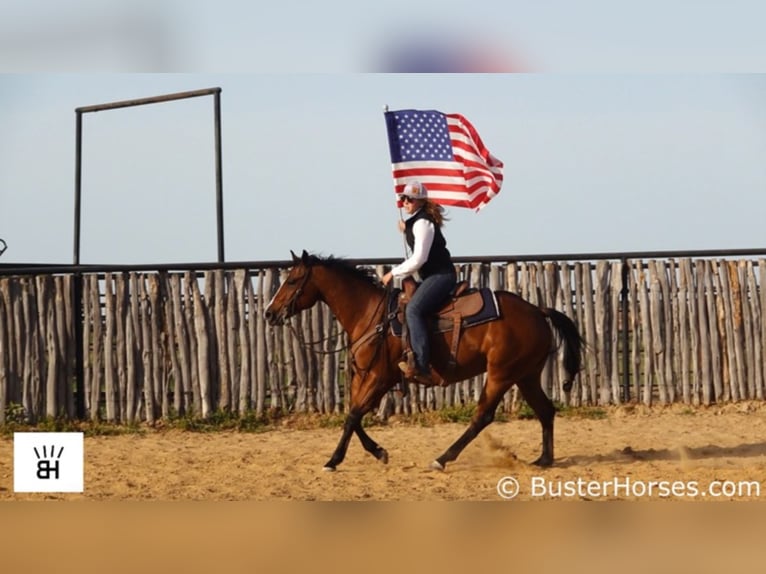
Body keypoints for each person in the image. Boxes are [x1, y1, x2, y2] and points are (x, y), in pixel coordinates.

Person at [381, 181, 457, 384]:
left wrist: (393, 273)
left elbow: (419, 259)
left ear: (420, 201)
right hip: (432, 276)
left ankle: (422, 365)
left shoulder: (424, 223)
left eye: (410, 199)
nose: (405, 202)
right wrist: (406, 228)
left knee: (413, 310)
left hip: (441, 276)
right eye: (403, 198)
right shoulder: (418, 222)